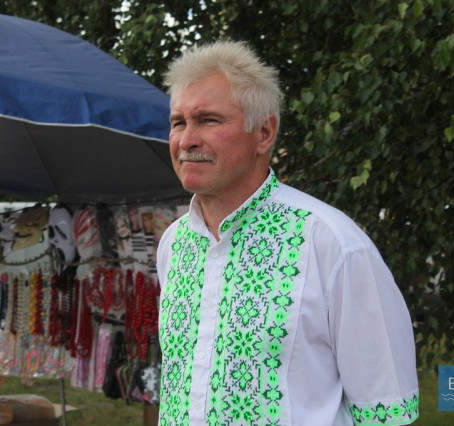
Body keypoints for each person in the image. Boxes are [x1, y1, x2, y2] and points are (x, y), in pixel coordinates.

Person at [156, 41, 419, 426]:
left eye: (208, 120)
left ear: (264, 133)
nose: (186, 140)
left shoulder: (332, 244)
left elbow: (385, 412)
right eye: (178, 122)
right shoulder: (174, 244)